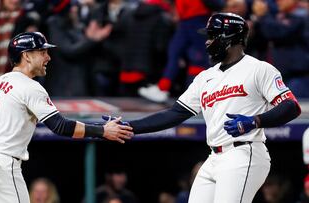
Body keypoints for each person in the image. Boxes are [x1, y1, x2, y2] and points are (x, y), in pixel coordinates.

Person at [104, 13, 301, 203]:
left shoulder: (258, 69)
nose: (207, 42)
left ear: (230, 37)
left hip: (244, 152)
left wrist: (255, 121)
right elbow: (175, 113)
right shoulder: (205, 77)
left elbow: (291, 106)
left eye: (213, 36)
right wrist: (130, 127)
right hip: (214, 157)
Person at [0, 31, 133, 203]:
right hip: (1, 164)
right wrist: (103, 131)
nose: (48, 57)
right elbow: (60, 126)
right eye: (42, 52)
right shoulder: (29, 86)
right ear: (26, 56)